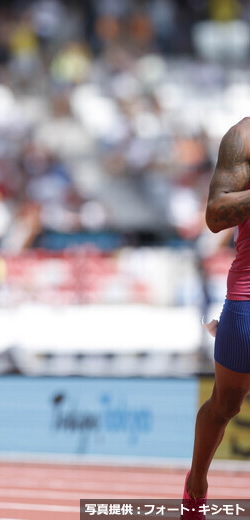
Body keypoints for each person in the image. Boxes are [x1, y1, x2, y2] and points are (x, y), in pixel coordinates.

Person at [182, 117, 250, 520]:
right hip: (247, 297)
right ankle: (196, 486)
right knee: (225, 403)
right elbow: (215, 214)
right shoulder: (243, 137)